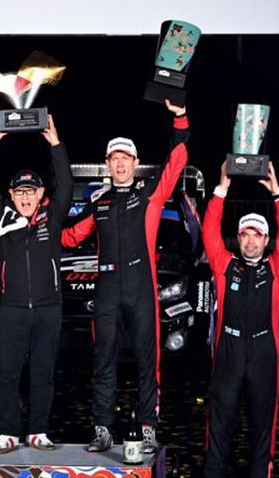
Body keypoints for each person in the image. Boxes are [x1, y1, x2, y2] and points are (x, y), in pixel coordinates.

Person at [61, 101, 188, 453]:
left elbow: (176, 161)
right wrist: (36, 228)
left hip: (141, 288)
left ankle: (148, 427)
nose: (119, 163)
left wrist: (180, 117)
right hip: (106, 289)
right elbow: (71, 236)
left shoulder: (150, 194)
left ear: (134, 163)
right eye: (113, 158)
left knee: (148, 359)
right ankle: (102, 428)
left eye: (125, 157)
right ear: (107, 164)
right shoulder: (98, 202)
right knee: (103, 358)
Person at [0, 116, 72, 454]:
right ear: (12, 196)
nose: (26, 197)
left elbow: (67, 183)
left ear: (41, 193)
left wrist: (55, 144)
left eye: (31, 191)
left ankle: (39, 432)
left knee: (43, 373)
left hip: (48, 308)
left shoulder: (53, 215)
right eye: (20, 192)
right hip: (12, 309)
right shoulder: (1, 216)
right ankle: (7, 433)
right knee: (6, 373)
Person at [202, 162, 279, 477]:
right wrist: (221, 189)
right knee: (219, 425)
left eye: (257, 236)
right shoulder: (224, 264)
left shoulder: (276, 268)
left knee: (261, 428)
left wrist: (277, 195)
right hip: (229, 351)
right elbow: (209, 231)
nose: (251, 241)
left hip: (262, 352)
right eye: (245, 234)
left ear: (266, 240)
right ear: (238, 238)